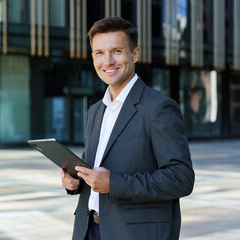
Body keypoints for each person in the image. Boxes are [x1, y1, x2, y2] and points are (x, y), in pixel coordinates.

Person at [60, 16, 195, 240]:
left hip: (135, 233)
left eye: (117, 51)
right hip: (88, 229)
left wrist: (114, 183)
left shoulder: (159, 108)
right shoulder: (94, 111)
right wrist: (74, 182)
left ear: (135, 54)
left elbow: (181, 178)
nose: (108, 61)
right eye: (99, 53)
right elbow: (95, 171)